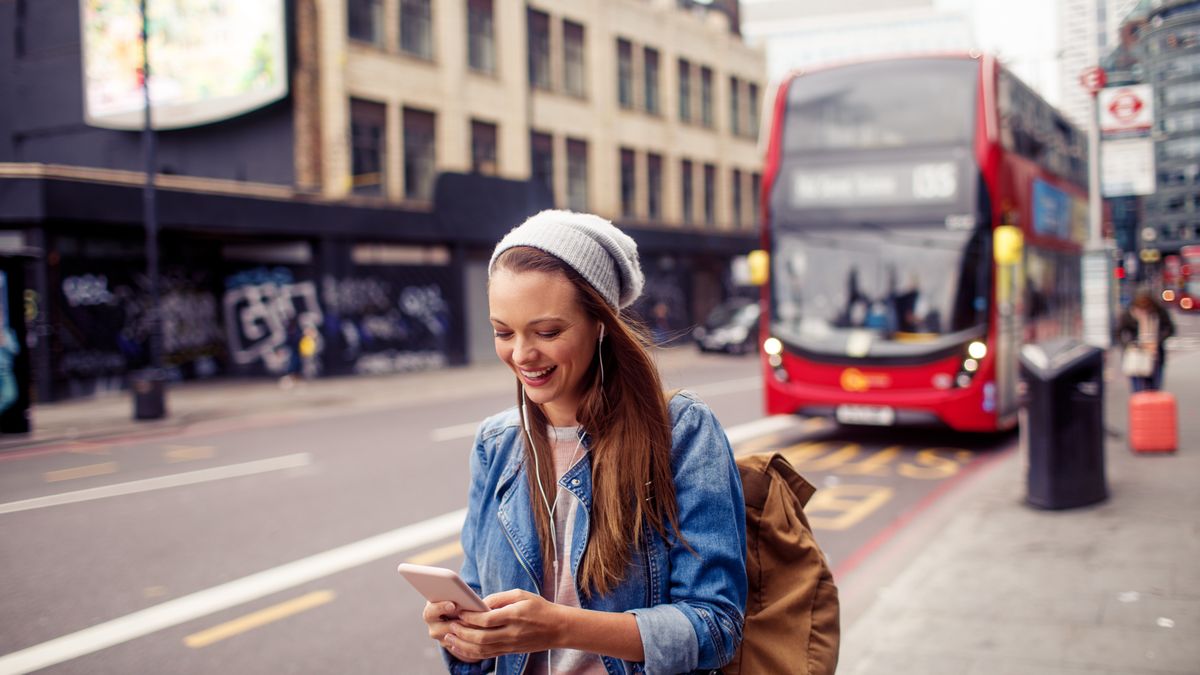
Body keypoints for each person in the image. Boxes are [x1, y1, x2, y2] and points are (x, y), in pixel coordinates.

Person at [422, 210, 747, 674]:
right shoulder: (495, 444)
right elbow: (478, 613)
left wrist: (561, 627)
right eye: (503, 332)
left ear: (601, 324)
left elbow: (717, 628)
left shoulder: (682, 430)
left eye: (548, 332)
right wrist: (460, 634)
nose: (521, 354)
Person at [1118, 289, 1176, 392]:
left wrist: (1158, 340)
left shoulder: (1159, 313)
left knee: (1154, 389)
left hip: (1155, 355)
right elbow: (1118, 331)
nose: (1144, 311)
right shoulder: (1129, 315)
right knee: (1138, 390)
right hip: (1136, 354)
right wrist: (1128, 344)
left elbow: (1170, 328)